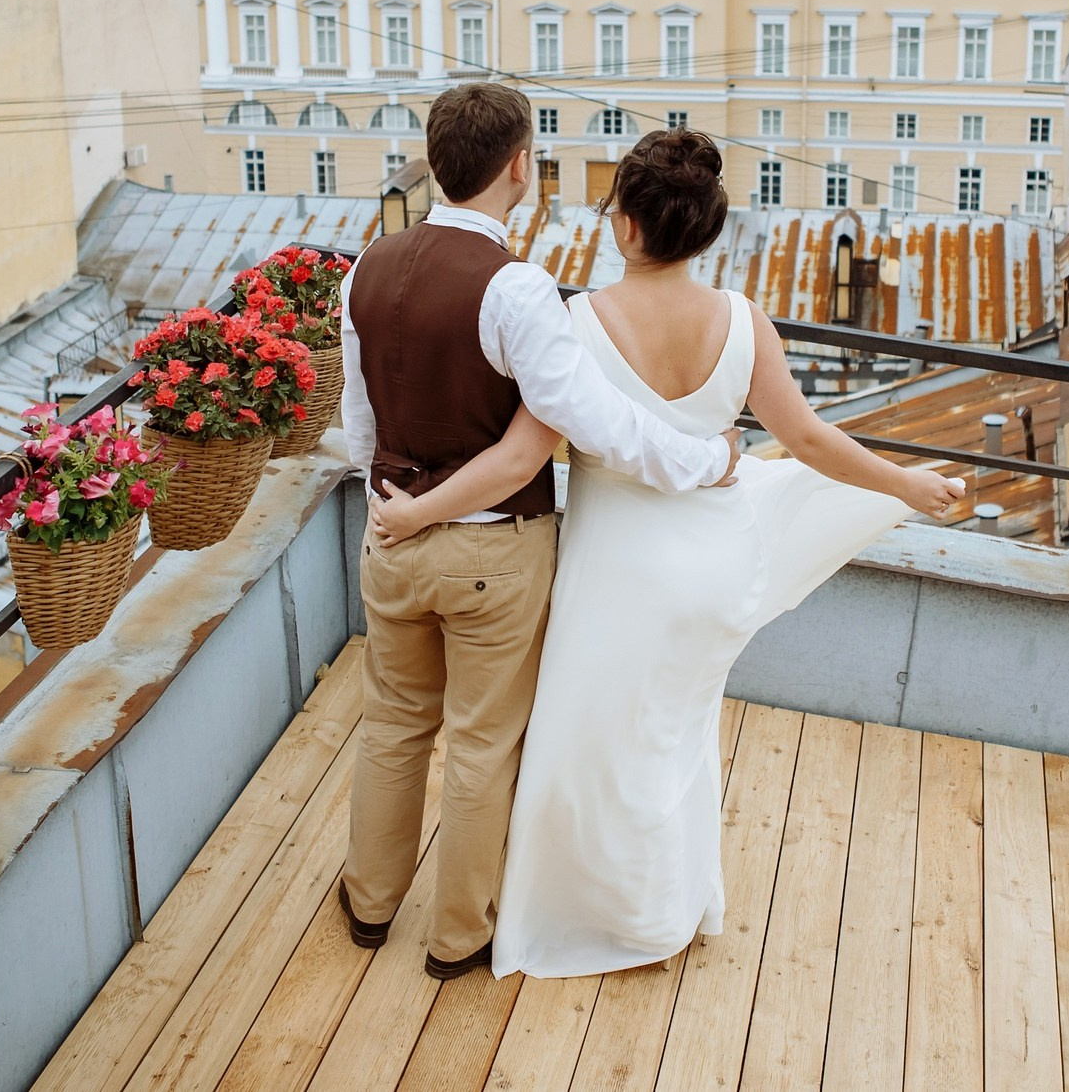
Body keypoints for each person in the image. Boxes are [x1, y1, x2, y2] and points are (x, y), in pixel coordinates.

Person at [366, 129, 962, 979]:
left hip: (613, 576)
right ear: (705, 231)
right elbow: (807, 440)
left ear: (625, 226)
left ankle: (580, 910)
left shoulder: (577, 321)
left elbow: (524, 453)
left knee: (584, 748)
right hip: (709, 570)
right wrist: (901, 482)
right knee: (672, 743)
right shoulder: (744, 322)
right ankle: (663, 909)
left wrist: (419, 510)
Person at [335, 84, 742, 982]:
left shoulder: (363, 268)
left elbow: (359, 424)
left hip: (391, 536)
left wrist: (394, 505)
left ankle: (368, 902)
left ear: (438, 160)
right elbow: (597, 425)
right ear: (519, 165)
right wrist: (707, 460)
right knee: (482, 743)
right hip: (491, 553)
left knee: (393, 725)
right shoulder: (514, 289)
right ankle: (457, 934)